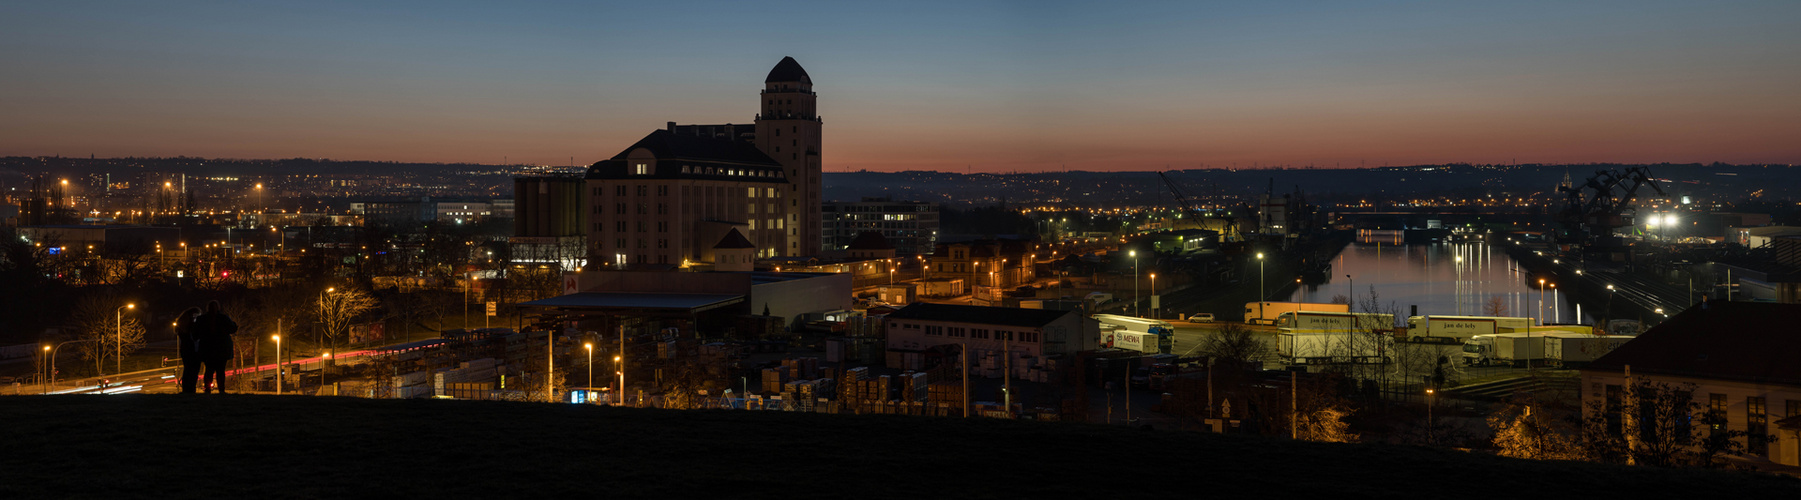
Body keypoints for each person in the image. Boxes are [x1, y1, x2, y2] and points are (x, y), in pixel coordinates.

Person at [194, 301, 239, 394]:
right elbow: (232, 329)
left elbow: (196, 333)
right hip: (221, 349)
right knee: (220, 371)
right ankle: (221, 390)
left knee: (209, 370)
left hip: (207, 349)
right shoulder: (223, 318)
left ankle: (207, 389)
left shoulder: (202, 319)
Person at [176, 307, 203, 394]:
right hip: (193, 351)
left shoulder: (182, 327)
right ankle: (191, 389)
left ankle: (187, 389)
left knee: (188, 370)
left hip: (186, 350)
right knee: (193, 371)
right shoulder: (191, 327)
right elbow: (195, 338)